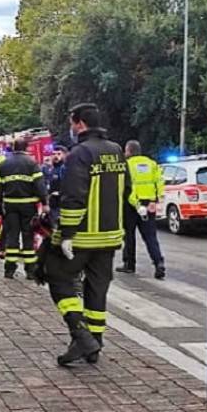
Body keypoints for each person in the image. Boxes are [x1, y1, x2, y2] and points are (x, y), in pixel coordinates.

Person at [44, 103, 130, 366]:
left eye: (72, 123)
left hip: (83, 237)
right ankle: (94, 344)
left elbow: (74, 197)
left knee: (58, 279)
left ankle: (82, 336)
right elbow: (126, 190)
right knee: (97, 291)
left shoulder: (80, 153)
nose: (71, 128)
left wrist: (66, 234)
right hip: (110, 237)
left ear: (79, 123)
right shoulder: (116, 150)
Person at [0, 139, 48, 280]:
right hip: (28, 206)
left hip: (10, 206)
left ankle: (9, 269)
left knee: (12, 236)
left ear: (13, 148)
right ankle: (30, 271)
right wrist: (45, 202)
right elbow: (40, 186)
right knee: (28, 236)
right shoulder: (32, 163)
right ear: (26, 148)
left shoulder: (5, 164)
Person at [116, 140, 166, 279]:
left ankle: (129, 264)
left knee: (129, 235)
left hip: (131, 205)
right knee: (150, 236)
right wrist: (156, 201)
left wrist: (137, 205)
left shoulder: (127, 165)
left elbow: (127, 189)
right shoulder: (151, 163)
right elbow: (159, 182)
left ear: (129, 151)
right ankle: (158, 262)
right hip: (149, 204)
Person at [48, 145, 68, 227]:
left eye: (59, 154)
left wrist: (60, 192)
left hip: (62, 202)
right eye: (54, 154)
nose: (56, 156)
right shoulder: (52, 169)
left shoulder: (64, 168)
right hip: (53, 203)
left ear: (64, 155)